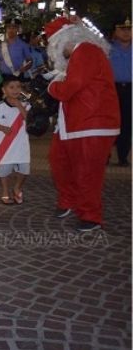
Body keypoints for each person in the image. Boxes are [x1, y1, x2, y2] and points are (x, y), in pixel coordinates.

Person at [44, 17, 120, 232]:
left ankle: (91, 216)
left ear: (63, 41)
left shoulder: (85, 51)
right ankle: (69, 201)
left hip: (92, 123)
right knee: (59, 161)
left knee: (87, 171)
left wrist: (51, 87)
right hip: (75, 123)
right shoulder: (81, 54)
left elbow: (71, 87)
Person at [0, 76, 31, 205]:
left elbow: (29, 120)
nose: (15, 90)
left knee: (24, 169)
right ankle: (5, 191)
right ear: (4, 90)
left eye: (18, 87)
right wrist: (2, 128)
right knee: (4, 171)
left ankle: (17, 187)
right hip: (4, 146)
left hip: (21, 144)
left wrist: (19, 105)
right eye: (11, 87)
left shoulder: (26, 104)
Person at [108, 18, 131, 166]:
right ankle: (105, 155)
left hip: (130, 90)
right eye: (122, 29)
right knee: (110, 123)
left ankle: (123, 157)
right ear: (116, 31)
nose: (126, 32)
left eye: (129, 29)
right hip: (112, 89)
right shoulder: (108, 49)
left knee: (127, 124)